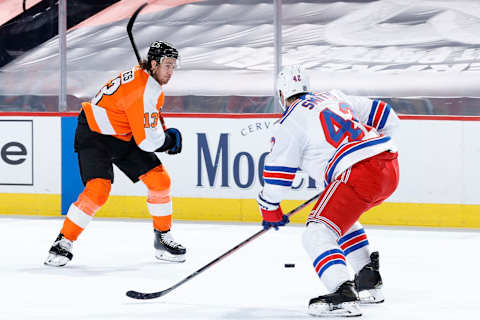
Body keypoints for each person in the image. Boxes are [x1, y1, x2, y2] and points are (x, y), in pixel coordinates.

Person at [256, 65, 400, 317]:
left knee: (316, 233)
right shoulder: (334, 96)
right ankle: (368, 281)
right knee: (339, 222)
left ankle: (342, 293)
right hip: (388, 164)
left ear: (281, 95)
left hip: (358, 173)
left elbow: (278, 179)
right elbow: (387, 116)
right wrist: (370, 150)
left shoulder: (289, 121)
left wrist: (269, 208)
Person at [45, 41, 186, 267]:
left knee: (160, 181)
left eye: (173, 66)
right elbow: (148, 141)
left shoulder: (147, 80)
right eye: (167, 65)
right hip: (95, 134)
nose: (171, 72)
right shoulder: (145, 89)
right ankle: (63, 242)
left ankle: (162, 238)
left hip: (123, 133)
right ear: (153, 64)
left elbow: (142, 121)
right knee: (98, 190)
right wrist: (169, 139)